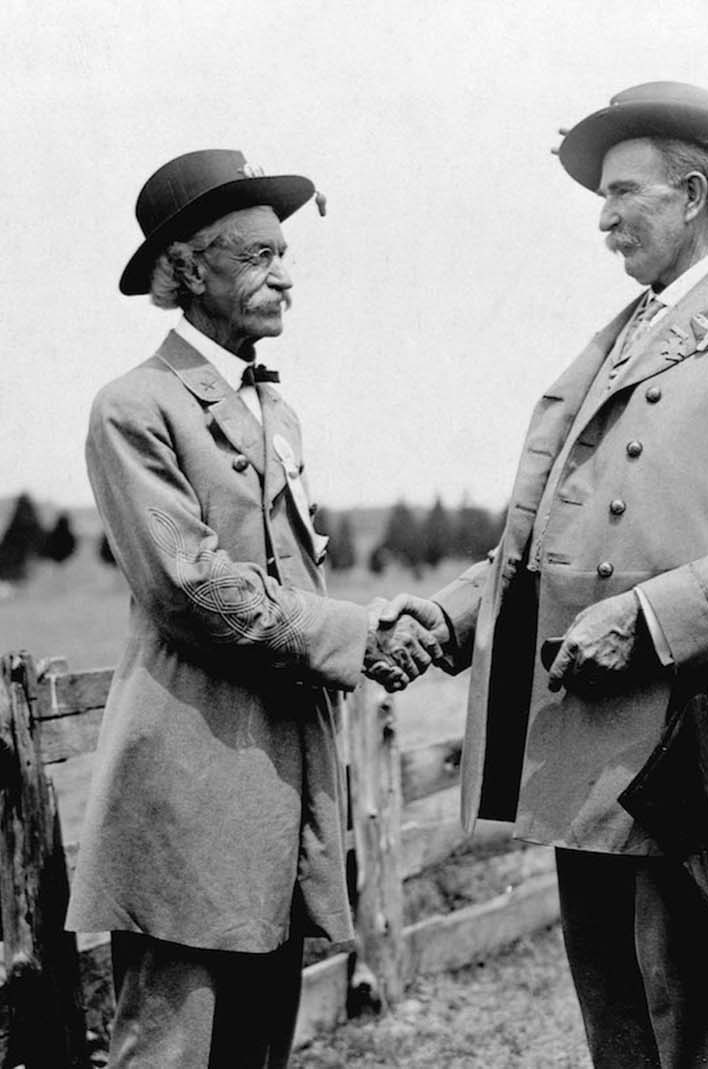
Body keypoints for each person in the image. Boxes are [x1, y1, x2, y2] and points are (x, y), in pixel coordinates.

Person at [384, 82, 708, 1067]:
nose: (601, 219)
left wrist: (644, 619)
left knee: (690, 1020)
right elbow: (549, 542)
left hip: (683, 740)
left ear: (690, 194)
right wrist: (451, 614)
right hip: (578, 739)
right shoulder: (624, 335)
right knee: (616, 1017)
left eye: (622, 193)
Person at [66, 148, 440, 1068]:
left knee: (260, 1046)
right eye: (259, 257)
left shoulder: (276, 410)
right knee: (171, 1048)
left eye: (287, 255)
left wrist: (371, 629)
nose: (285, 276)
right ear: (190, 270)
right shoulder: (135, 406)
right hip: (190, 781)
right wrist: (362, 636)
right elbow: (191, 587)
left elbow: (290, 586)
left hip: (284, 776)